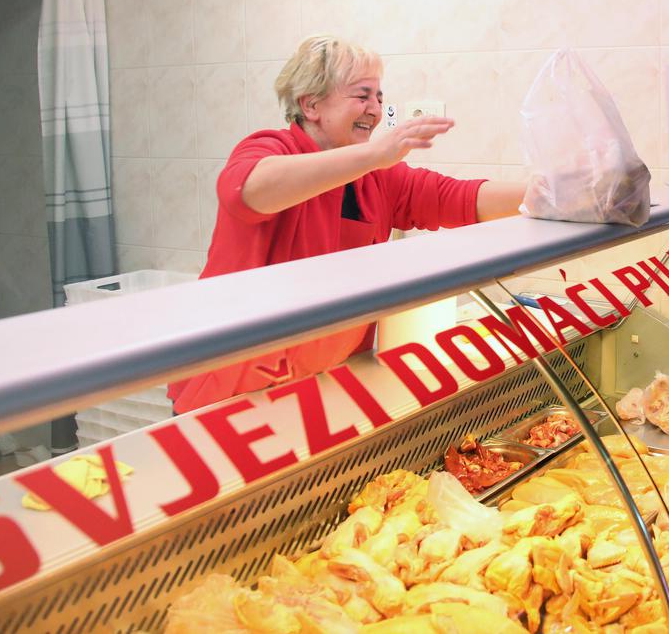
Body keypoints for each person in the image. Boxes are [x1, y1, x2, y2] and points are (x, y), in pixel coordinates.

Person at [169, 35, 526, 414]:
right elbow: (247, 190)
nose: (375, 109)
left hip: (324, 385)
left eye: (378, 96)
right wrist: (373, 153)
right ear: (311, 104)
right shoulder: (270, 148)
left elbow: (461, 198)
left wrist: (555, 193)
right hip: (233, 391)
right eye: (362, 95)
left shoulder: (379, 177)